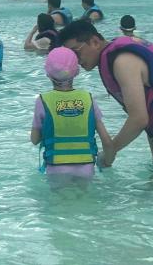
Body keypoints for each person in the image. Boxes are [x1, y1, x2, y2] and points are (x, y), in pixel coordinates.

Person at [59, 19, 153, 175]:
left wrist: (110, 152)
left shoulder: (122, 62)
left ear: (94, 42)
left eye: (75, 52)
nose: (74, 60)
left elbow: (139, 119)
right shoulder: (114, 58)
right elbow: (151, 118)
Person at [30, 46, 113, 180]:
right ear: (77, 72)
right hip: (86, 167)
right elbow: (107, 141)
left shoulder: (43, 101)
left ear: (48, 74)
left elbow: (35, 140)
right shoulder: (88, 99)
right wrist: (107, 162)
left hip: (56, 168)